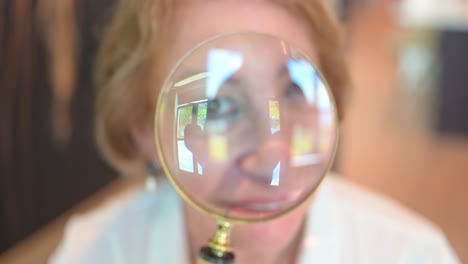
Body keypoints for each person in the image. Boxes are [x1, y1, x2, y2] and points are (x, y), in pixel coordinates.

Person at [49, 0, 460, 263]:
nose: (275, 156)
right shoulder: (96, 252)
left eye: (296, 90)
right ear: (142, 128)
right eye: (216, 106)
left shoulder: (412, 255)